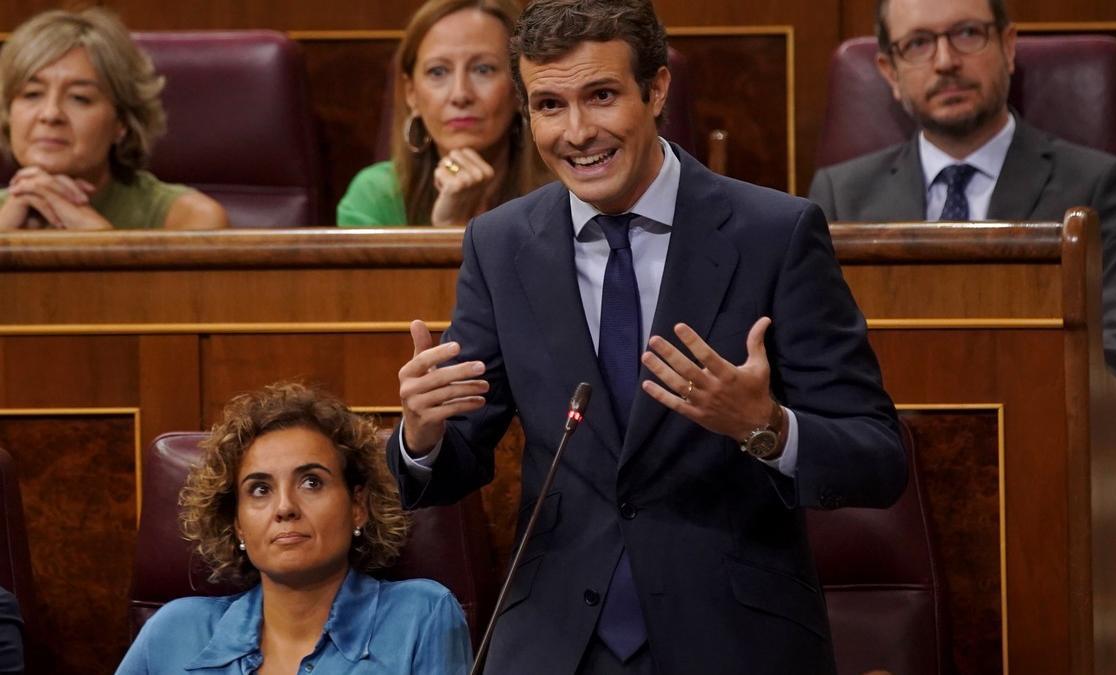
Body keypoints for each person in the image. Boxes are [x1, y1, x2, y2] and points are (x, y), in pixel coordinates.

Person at [389, 1, 907, 673]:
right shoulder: (500, 244)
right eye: (549, 105)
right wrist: (421, 435)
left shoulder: (773, 234)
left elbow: (877, 457)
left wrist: (766, 427)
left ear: (656, 90)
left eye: (601, 96)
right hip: (556, 639)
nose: (577, 132)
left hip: (732, 636)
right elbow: (458, 454)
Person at [807, 0, 1116, 391]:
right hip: (887, 434)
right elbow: (813, 341)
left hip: (1038, 429)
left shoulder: (1096, 184)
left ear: (1008, 46)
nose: (946, 62)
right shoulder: (841, 195)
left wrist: (1003, 394)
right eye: (918, 43)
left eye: (967, 33)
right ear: (889, 72)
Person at [116, 383, 471, 675]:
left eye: (312, 483)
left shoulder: (420, 615)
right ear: (238, 524)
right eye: (260, 489)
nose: (285, 507)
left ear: (358, 506)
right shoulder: (174, 631)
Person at [0, 8, 227, 231]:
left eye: (80, 98)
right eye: (32, 94)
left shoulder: (191, 219)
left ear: (122, 122)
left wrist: (98, 238)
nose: (50, 114)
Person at [337, 0, 546, 227]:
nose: (460, 94)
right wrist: (449, 227)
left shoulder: (565, 191)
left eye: (483, 69)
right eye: (438, 72)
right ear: (411, 94)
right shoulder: (376, 196)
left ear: (520, 88)